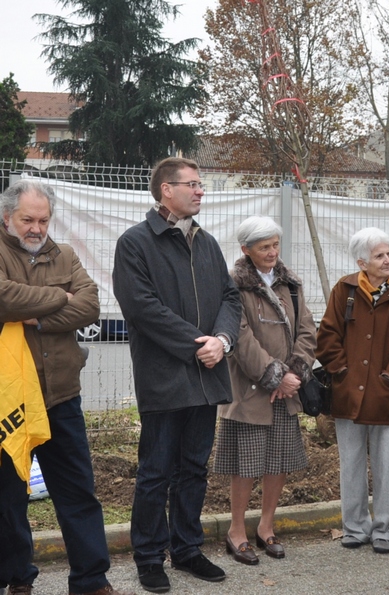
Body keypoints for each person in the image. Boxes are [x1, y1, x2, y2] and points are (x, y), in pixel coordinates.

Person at [113, 157, 241, 593]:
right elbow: (142, 307)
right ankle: (149, 557)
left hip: (207, 378)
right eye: (193, 184)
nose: (201, 191)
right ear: (166, 190)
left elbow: (230, 297)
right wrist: (198, 344)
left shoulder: (206, 243)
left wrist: (222, 340)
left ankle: (187, 549)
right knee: (155, 472)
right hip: (165, 379)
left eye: (201, 184)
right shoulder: (136, 243)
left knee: (194, 469)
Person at [0, 180, 133, 595]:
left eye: (43, 219)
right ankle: (16, 577)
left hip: (60, 397)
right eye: (27, 220)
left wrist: (36, 315)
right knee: (7, 501)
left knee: (77, 492)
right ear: (7, 217)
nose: (37, 228)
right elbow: (3, 299)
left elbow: (90, 304)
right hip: (8, 404)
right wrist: (60, 296)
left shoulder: (67, 254)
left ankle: (91, 579)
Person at [315, 227, 389, 554]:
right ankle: (354, 527)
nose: (388, 260)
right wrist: (342, 372)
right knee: (350, 465)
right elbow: (327, 336)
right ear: (362, 261)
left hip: (388, 397)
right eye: (380, 255)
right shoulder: (344, 290)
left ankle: (387, 530)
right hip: (348, 394)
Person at [213, 216, 316, 565]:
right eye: (264, 247)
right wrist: (275, 376)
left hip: (285, 391)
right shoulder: (233, 285)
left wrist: (294, 376)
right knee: (245, 465)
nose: (272, 252)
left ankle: (266, 527)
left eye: (275, 245)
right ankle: (237, 530)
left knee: (279, 462)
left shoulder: (292, 284)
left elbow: (307, 331)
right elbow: (240, 339)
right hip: (249, 390)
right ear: (246, 250)